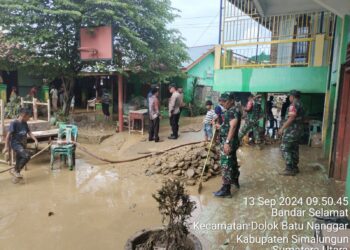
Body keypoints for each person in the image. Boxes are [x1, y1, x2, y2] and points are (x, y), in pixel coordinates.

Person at [213, 92, 241, 198]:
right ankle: (234, 180)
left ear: (231, 101)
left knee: (226, 164)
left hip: (228, 142)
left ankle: (226, 189)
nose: (223, 103)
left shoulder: (233, 110)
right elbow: (228, 126)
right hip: (231, 141)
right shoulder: (232, 110)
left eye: (225, 101)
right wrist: (220, 127)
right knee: (232, 161)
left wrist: (227, 143)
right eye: (221, 101)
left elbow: (233, 127)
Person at [3, 108, 38, 181]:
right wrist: (6, 147)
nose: (29, 118)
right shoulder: (14, 123)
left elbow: (29, 132)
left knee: (19, 160)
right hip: (16, 144)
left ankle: (15, 177)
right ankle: (15, 171)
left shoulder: (25, 123)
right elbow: (8, 136)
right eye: (28, 117)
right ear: (23, 115)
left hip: (22, 144)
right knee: (27, 156)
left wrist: (35, 139)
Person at [278, 90, 305, 176]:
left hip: (292, 131)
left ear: (292, 96)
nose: (289, 98)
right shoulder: (301, 104)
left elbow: (291, 118)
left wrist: (282, 128)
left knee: (284, 147)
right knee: (294, 148)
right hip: (298, 131)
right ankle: (295, 167)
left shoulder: (293, 105)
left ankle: (289, 168)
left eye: (289, 96)